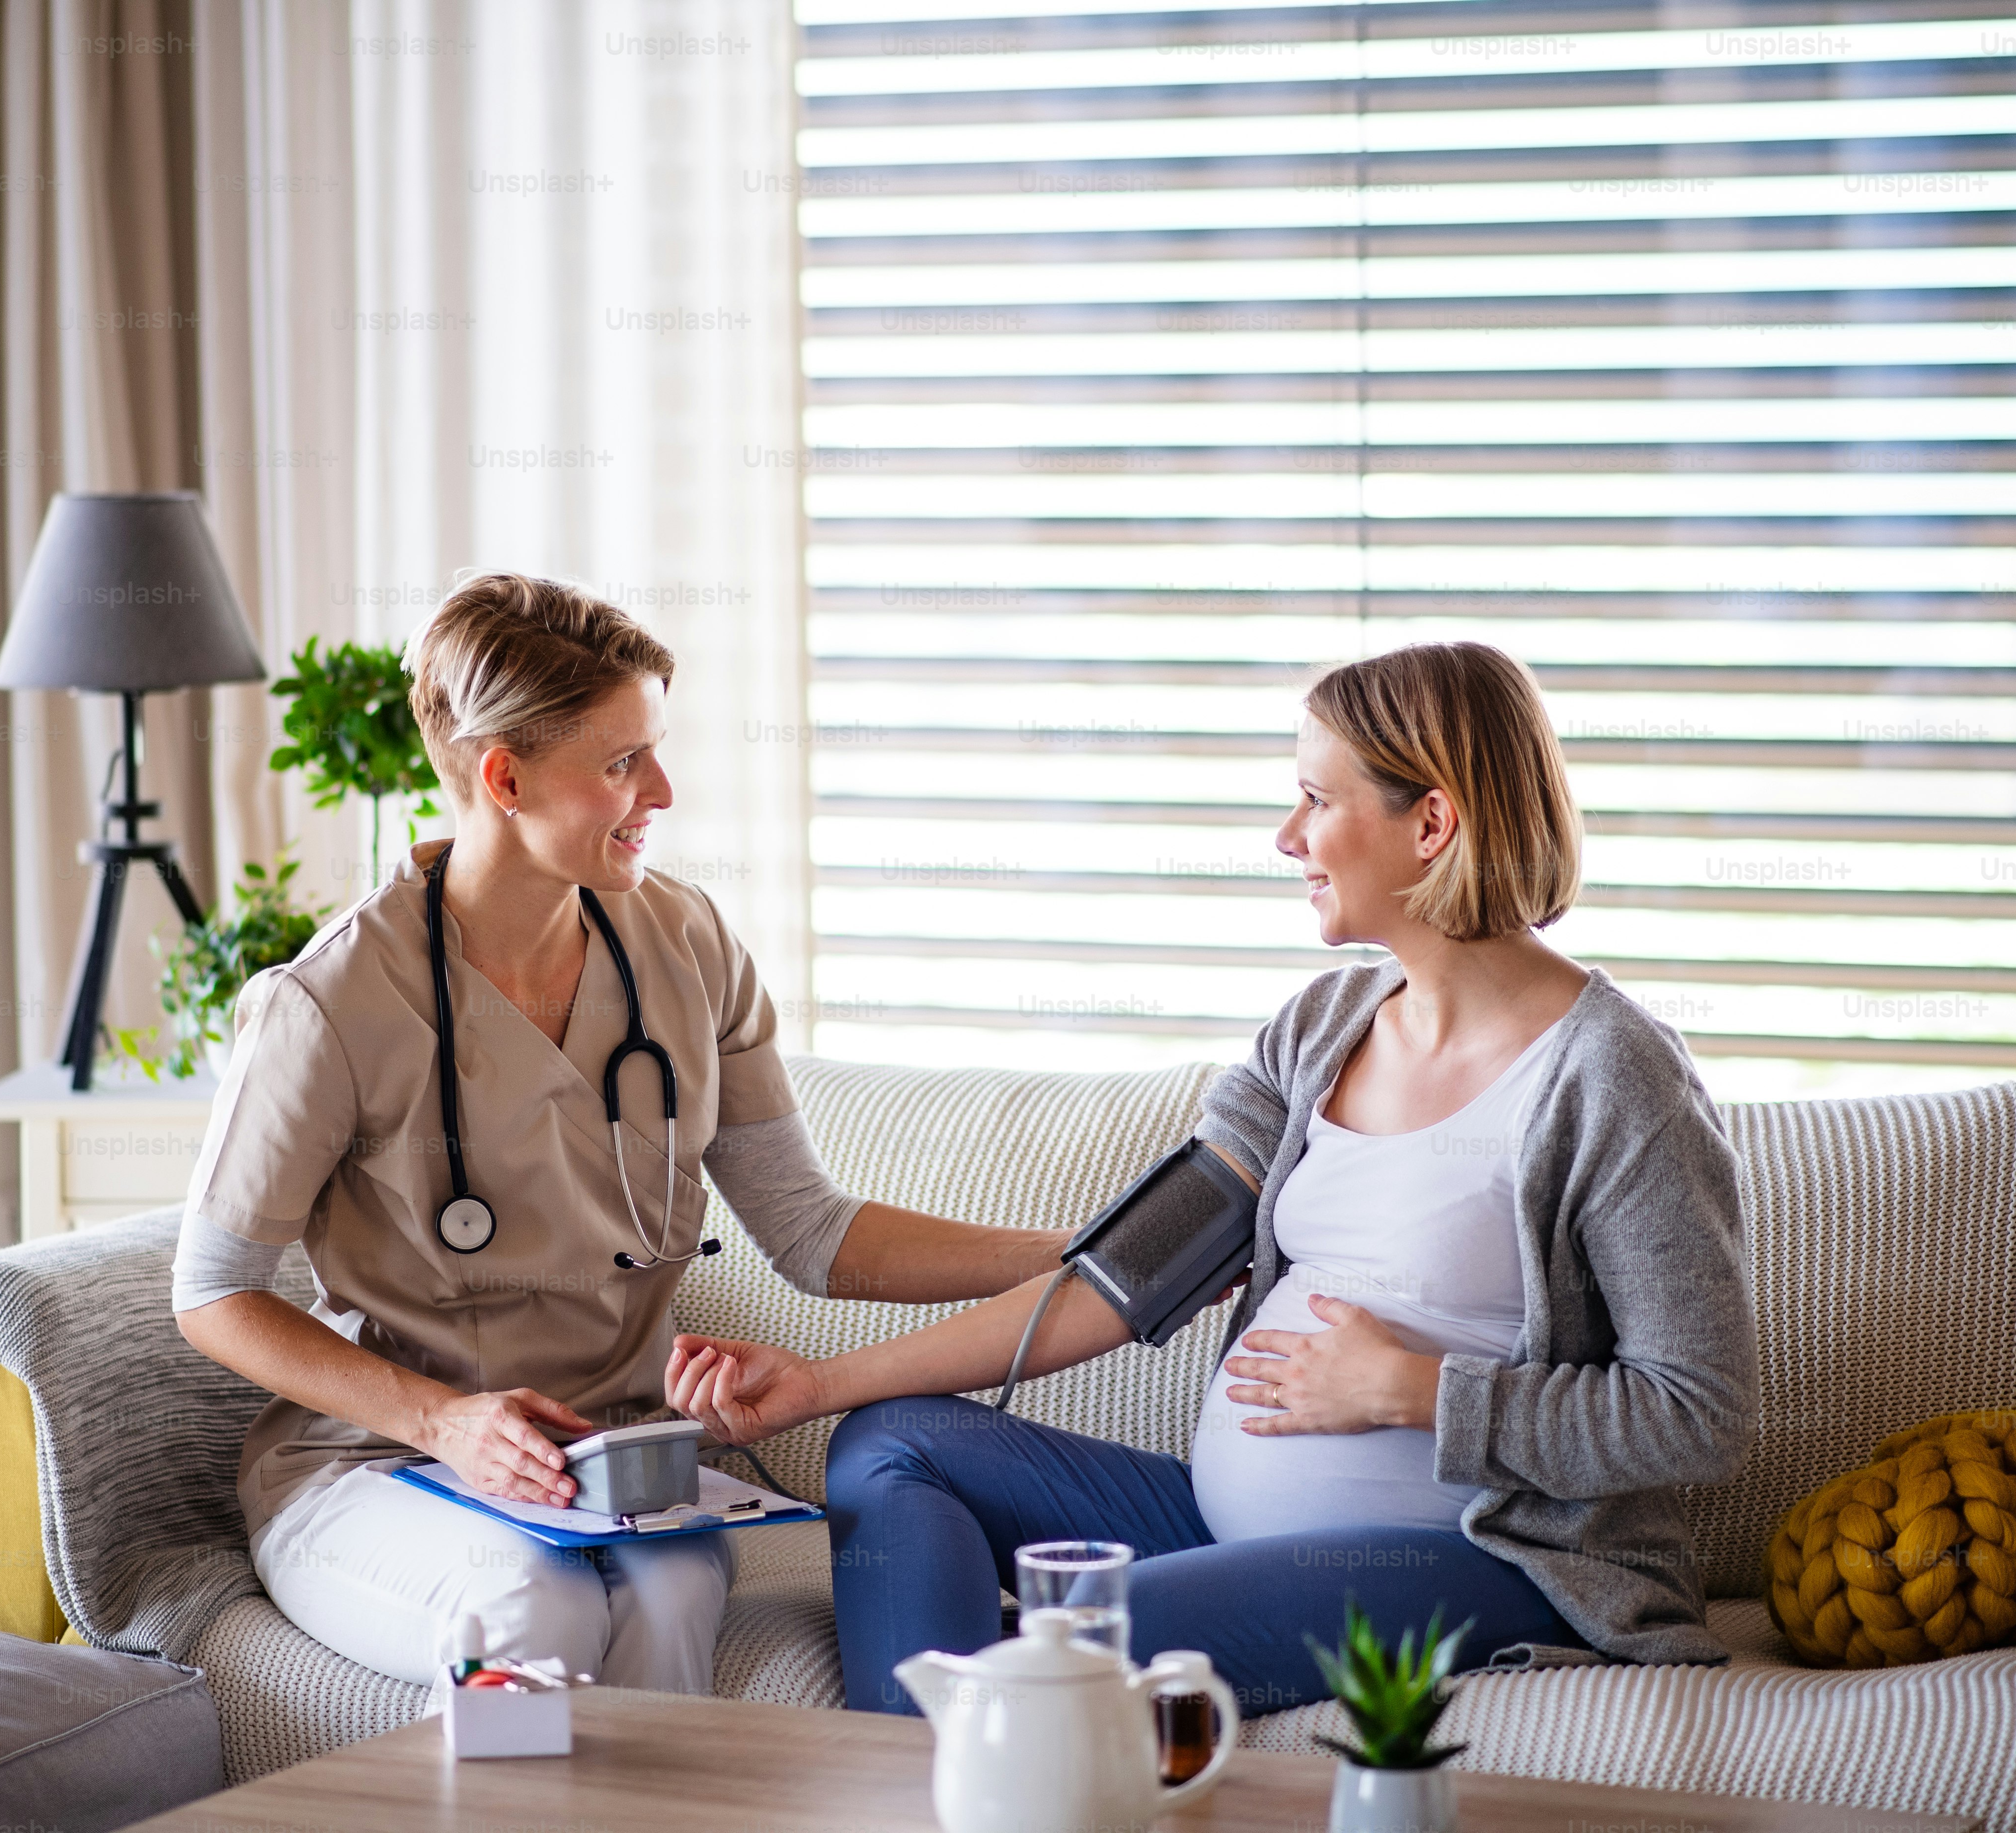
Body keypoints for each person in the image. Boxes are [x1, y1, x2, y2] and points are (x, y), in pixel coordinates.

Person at [667, 641, 1763, 1715]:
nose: (1287, 836)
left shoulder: (1613, 1075)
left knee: (1075, 1644)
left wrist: (1411, 1390)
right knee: (890, 1440)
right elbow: (1118, 1279)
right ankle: (942, 1756)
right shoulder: (1321, 1028)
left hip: (1478, 1557)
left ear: (1430, 823)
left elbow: (1699, 1411)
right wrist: (818, 1383)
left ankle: (972, 1733)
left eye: (1315, 799)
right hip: (1227, 1525)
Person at [170, 573, 1067, 1696]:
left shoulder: (684, 943)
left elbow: (810, 1229)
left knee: (677, 1589)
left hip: (619, 1467)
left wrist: (1071, 1252)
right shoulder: (333, 1003)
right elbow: (212, 1294)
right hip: (384, 1467)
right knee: (527, 1608)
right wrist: (446, 1420)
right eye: (620, 763)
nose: (664, 790)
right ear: (504, 778)